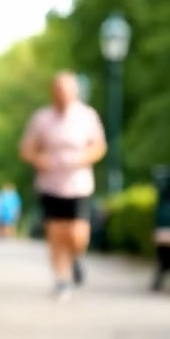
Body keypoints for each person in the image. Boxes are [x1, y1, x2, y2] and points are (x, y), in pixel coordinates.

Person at [19, 72, 107, 298]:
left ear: (75, 92)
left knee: (77, 234)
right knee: (56, 233)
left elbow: (99, 147)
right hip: (50, 184)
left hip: (78, 184)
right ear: (52, 92)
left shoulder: (87, 116)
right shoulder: (41, 118)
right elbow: (26, 149)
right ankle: (61, 279)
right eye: (58, 91)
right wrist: (39, 159)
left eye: (67, 91)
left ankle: (76, 256)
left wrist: (82, 158)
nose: (62, 96)